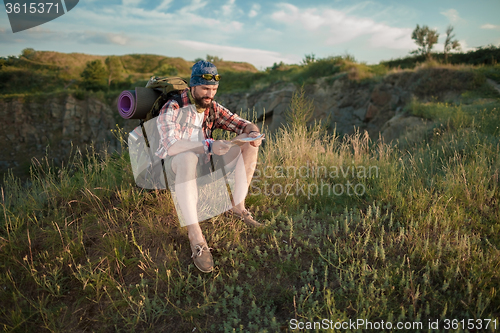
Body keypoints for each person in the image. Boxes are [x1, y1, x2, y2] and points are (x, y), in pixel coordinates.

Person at [156, 60, 264, 273]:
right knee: (187, 157)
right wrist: (209, 145)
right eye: (205, 88)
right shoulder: (173, 106)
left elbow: (242, 123)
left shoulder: (211, 106)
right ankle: (196, 237)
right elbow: (171, 146)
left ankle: (237, 207)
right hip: (173, 168)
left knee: (248, 144)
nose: (210, 94)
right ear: (192, 86)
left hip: (204, 164)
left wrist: (253, 133)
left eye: (214, 89)